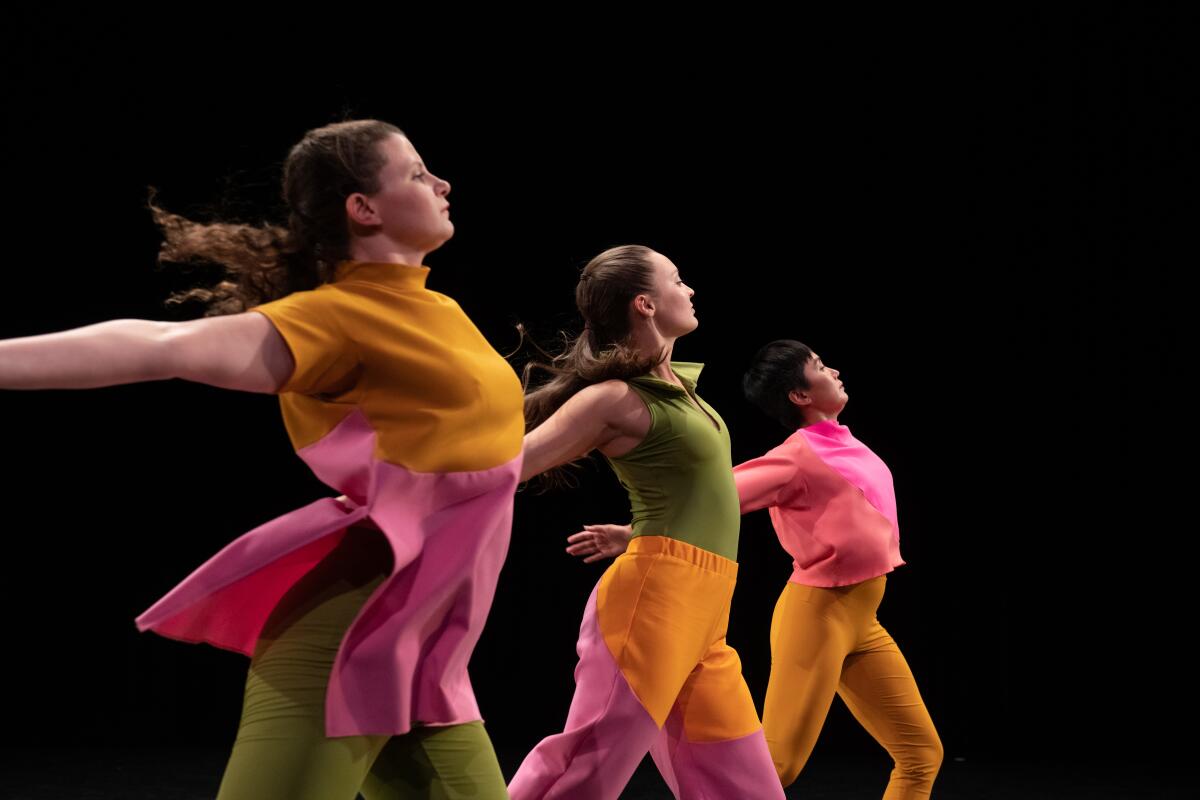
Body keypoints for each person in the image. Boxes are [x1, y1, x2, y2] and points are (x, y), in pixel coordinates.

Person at [0, 119, 522, 800]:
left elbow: (485, 464)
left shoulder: (441, 311)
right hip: (348, 643)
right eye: (418, 173)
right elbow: (160, 347)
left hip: (425, 650)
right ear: (362, 208)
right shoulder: (335, 317)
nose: (442, 183)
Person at [569, 339, 943, 798]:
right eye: (821, 367)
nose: (834, 371)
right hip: (818, 616)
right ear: (799, 396)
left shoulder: (844, 442)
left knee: (920, 754)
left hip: (863, 620)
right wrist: (632, 533)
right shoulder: (797, 456)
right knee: (776, 767)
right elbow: (720, 496)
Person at [508, 244, 785, 800]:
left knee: (743, 785)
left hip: (706, 609)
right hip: (654, 603)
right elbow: (510, 464)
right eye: (677, 280)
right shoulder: (615, 398)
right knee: (586, 769)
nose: (689, 290)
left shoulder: (678, 390)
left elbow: (697, 496)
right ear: (645, 304)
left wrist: (636, 533)